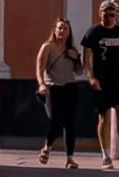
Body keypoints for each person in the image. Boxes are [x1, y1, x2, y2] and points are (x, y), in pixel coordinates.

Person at [82, 1, 119, 169]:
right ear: (100, 14)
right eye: (106, 15)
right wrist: (91, 77)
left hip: (118, 80)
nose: (109, 18)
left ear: (116, 16)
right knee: (104, 117)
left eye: (112, 15)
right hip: (101, 80)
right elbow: (86, 58)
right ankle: (106, 156)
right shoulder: (93, 32)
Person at [35, 19, 86, 167]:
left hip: (70, 87)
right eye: (59, 28)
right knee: (55, 120)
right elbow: (39, 69)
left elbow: (79, 71)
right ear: (54, 30)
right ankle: (47, 147)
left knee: (70, 124)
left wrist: (76, 58)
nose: (62, 31)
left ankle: (70, 159)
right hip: (52, 87)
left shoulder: (71, 49)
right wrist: (42, 84)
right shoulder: (47, 47)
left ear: (69, 32)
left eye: (65, 29)